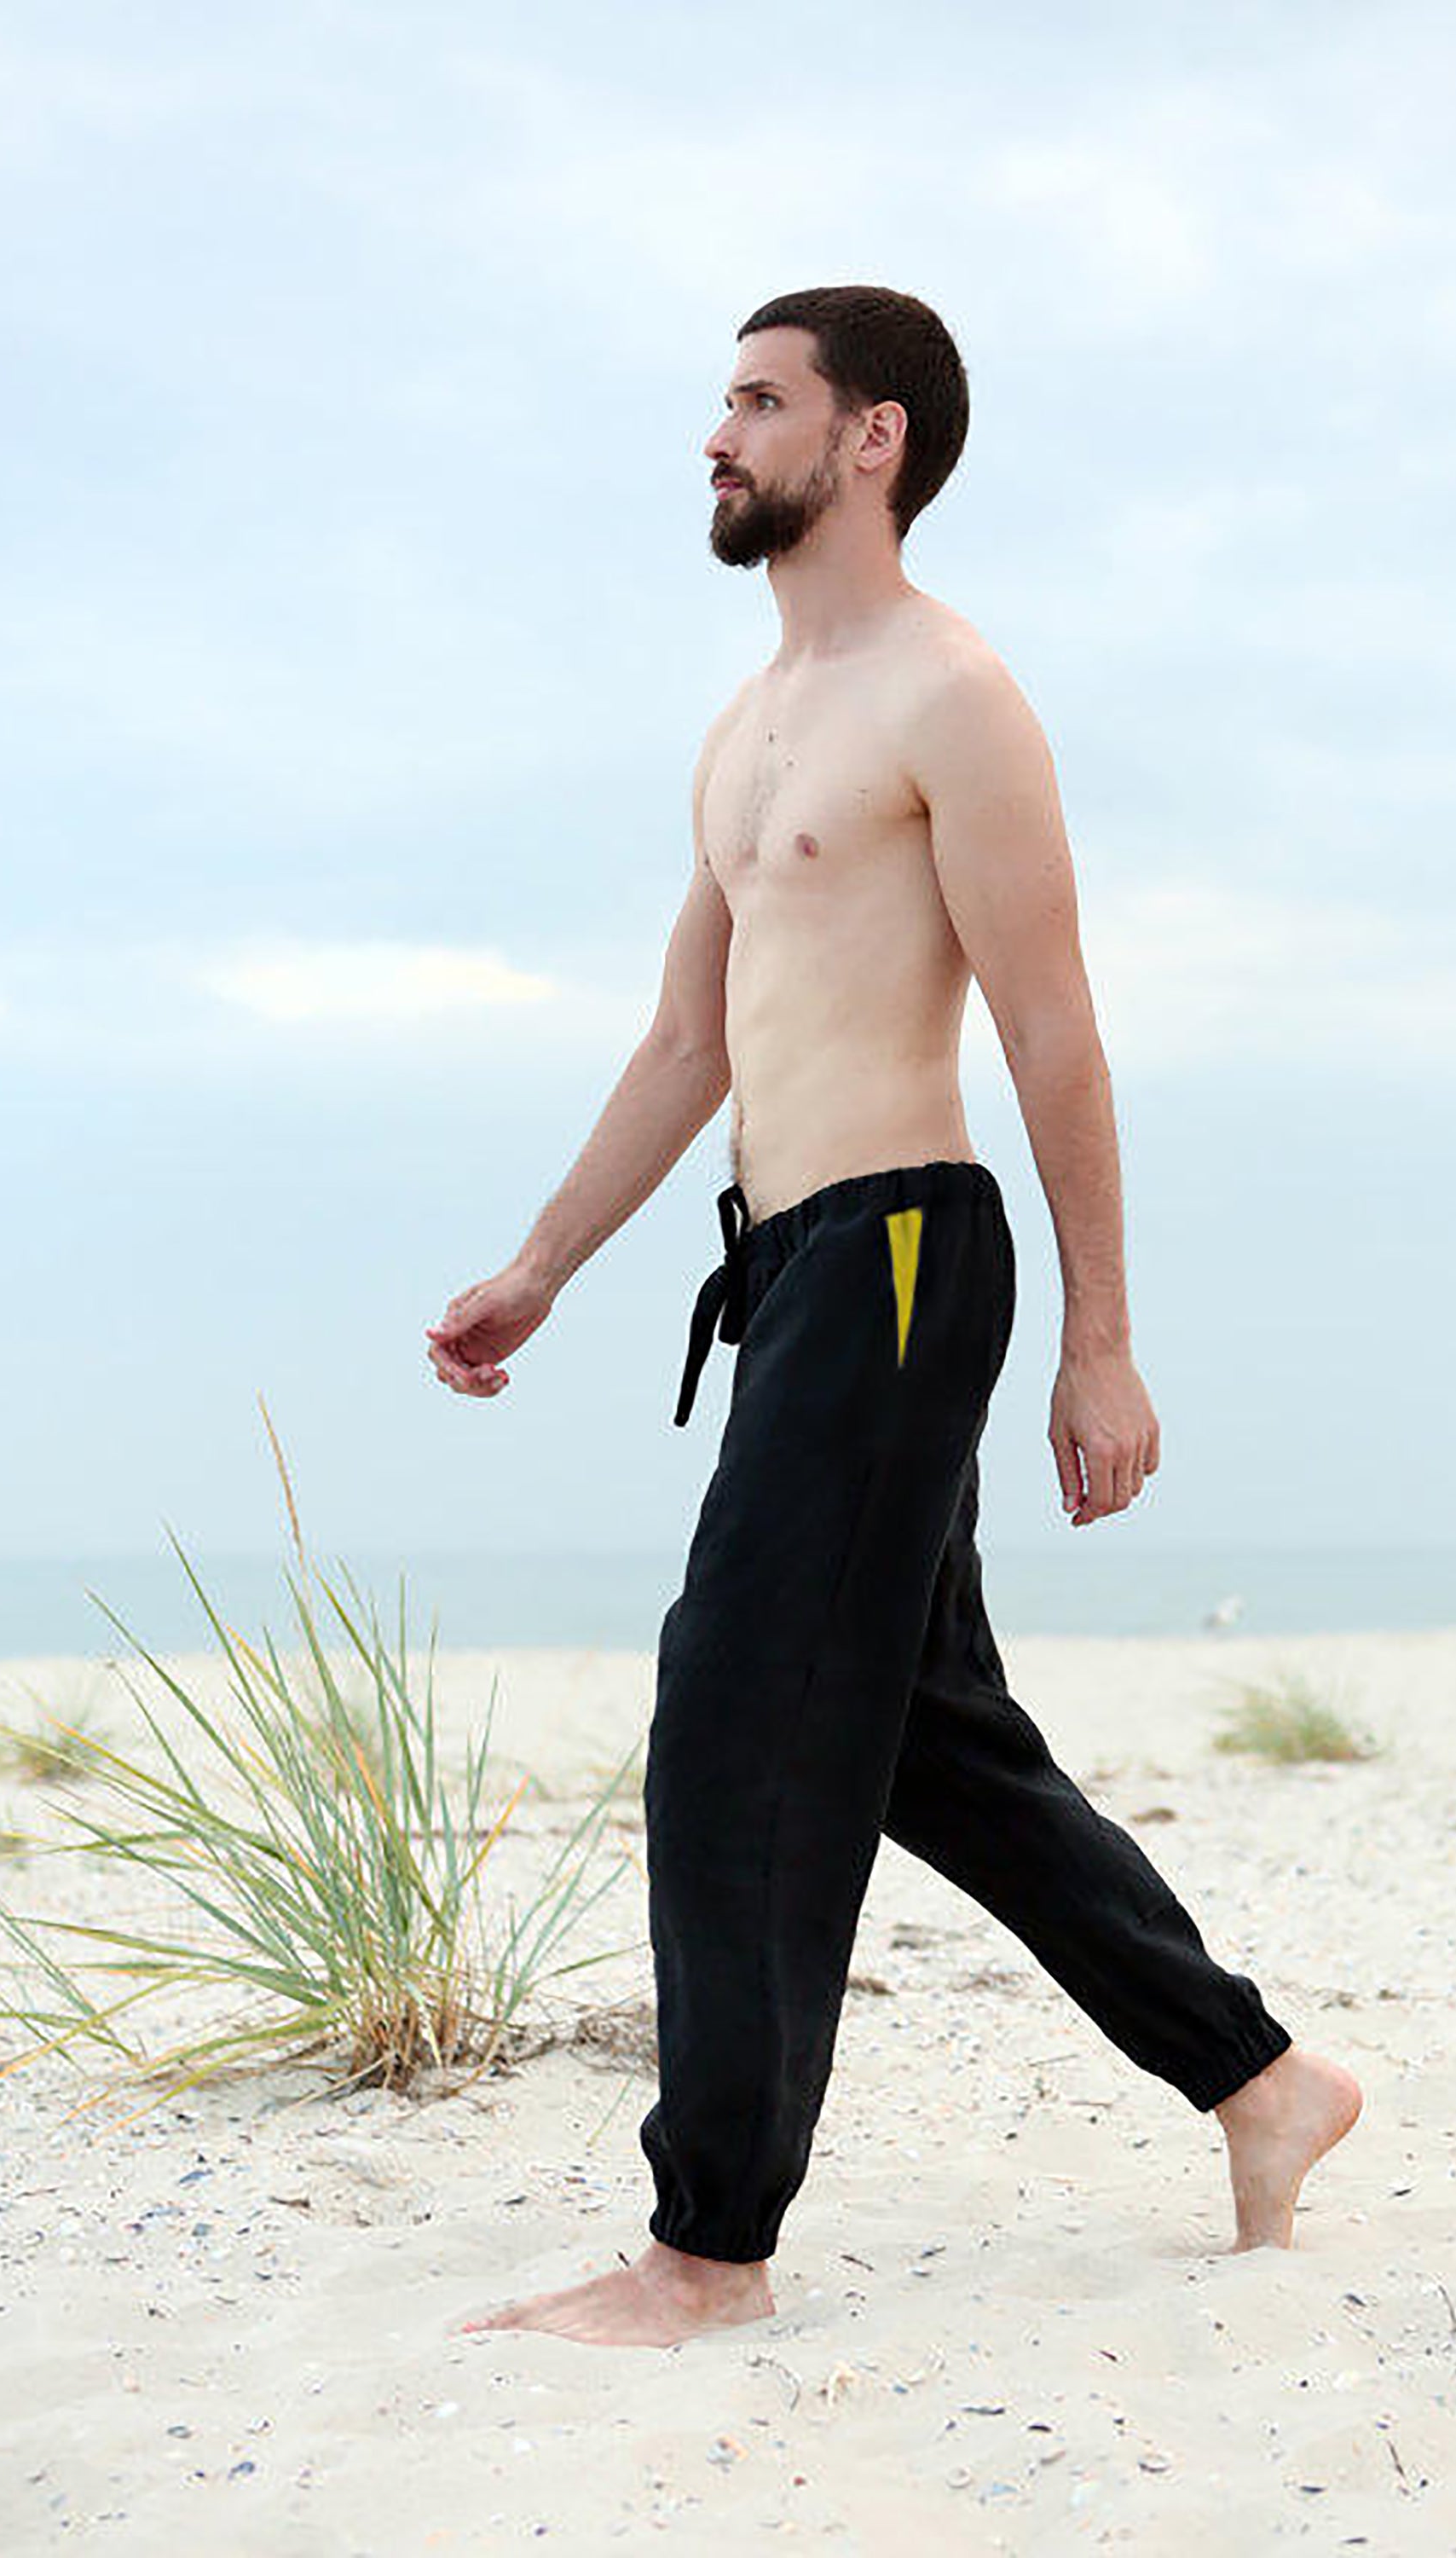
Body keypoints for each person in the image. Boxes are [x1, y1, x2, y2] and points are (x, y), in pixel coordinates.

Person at [429, 286, 1361, 2349]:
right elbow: (688, 1042)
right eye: (719, 398)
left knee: (736, 1719)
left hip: (910, 1252)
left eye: (758, 401)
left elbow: (1055, 1030)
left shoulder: (955, 699)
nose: (716, 433)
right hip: (789, 1275)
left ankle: (704, 2254)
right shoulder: (744, 731)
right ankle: (1262, 2078)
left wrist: (1099, 1341)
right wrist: (541, 1266)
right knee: (922, 1741)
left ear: (872, 440)